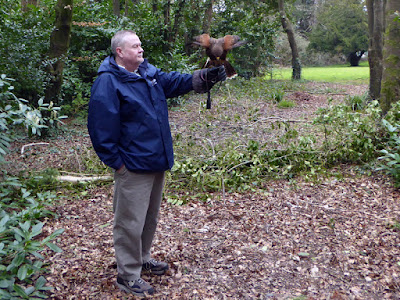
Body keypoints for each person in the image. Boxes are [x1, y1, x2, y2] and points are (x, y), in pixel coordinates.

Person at [87, 30, 226, 297]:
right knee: (129, 221)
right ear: (120, 52)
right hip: (132, 165)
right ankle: (128, 275)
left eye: (141, 44)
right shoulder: (109, 82)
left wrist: (204, 77)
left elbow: (173, 82)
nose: (141, 49)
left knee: (148, 218)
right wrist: (118, 164)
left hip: (155, 158)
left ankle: (142, 259)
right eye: (135, 46)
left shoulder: (147, 72)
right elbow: (100, 130)